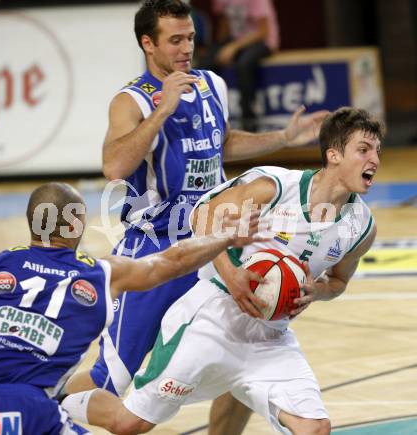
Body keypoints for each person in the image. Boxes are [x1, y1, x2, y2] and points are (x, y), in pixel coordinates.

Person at [64, 0, 328, 402]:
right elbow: (113, 165)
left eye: (190, 37)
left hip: (215, 242)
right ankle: (38, 405)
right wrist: (163, 111)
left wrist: (284, 138)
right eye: (174, 40)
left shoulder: (211, 84)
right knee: (111, 379)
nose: (186, 47)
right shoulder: (131, 100)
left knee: (247, 348)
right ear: (147, 44)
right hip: (157, 247)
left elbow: (221, 144)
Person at [62, 107, 384, 435]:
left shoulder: (361, 227)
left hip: (270, 337)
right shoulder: (273, 187)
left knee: (314, 428)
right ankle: (58, 404)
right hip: (210, 319)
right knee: (131, 423)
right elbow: (201, 217)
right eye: (363, 150)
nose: (374, 159)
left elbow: (339, 280)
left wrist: (318, 291)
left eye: (377, 151)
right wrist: (231, 274)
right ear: (333, 154)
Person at [0, 181, 262, 434]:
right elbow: (172, 262)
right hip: (32, 410)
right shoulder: (101, 274)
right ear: (77, 224)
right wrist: (226, 236)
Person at [198, 0, 280, 131]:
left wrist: (233, 47)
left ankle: (249, 118)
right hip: (235, 39)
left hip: (262, 41)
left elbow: (263, 32)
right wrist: (218, 47)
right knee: (204, 64)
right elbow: (225, 23)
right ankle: (205, 114)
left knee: (244, 64)